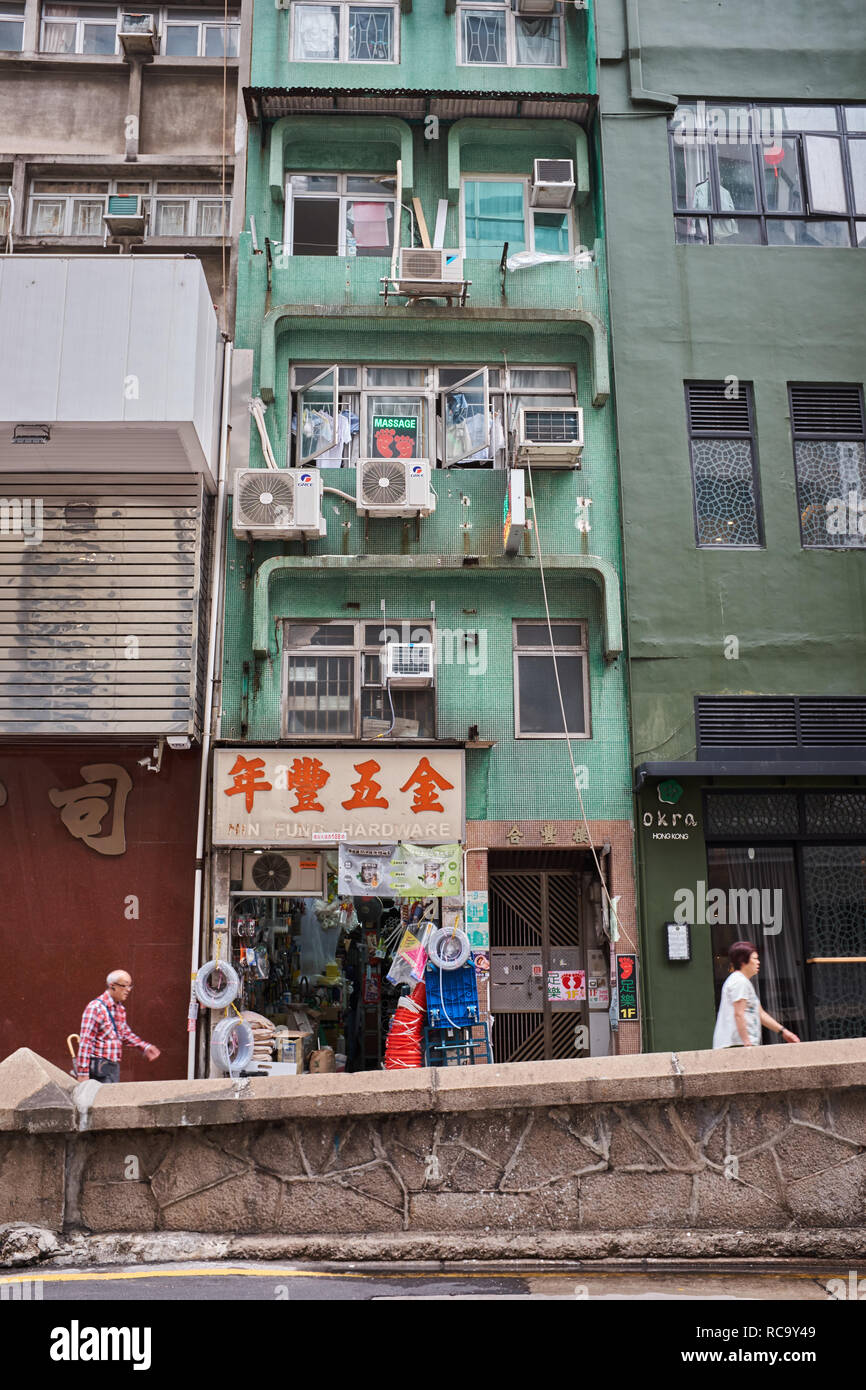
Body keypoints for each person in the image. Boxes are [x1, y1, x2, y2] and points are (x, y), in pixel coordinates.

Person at [75, 970, 160, 1083]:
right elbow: (86, 1042)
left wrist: (144, 1047)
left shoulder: (120, 1009)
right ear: (112, 986)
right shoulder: (95, 1008)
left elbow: (124, 1034)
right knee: (103, 1100)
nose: (128, 990)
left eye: (130, 986)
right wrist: (83, 1073)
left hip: (113, 1067)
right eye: (124, 986)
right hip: (99, 1069)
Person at [712, 941, 800, 1049]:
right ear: (743, 961)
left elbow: (761, 1014)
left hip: (742, 1045)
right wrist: (746, 1042)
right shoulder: (739, 982)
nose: (758, 962)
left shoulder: (743, 981)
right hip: (737, 1045)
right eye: (754, 958)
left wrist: (784, 1032)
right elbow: (739, 1013)